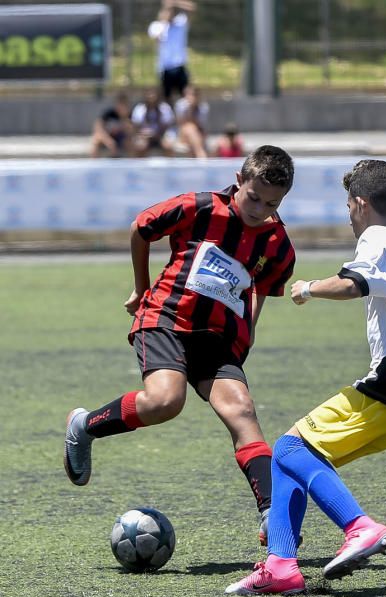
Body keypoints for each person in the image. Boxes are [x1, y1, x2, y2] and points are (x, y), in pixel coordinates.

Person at [225, 159, 386, 595]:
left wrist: (308, 288)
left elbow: (355, 283)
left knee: (289, 446)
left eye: (349, 206)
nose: (348, 215)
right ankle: (282, 567)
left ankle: (359, 527)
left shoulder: (380, 240)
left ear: (361, 204)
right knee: (294, 456)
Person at [63, 146, 296, 546]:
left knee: (241, 410)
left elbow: (261, 287)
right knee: (165, 402)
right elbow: (141, 227)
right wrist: (140, 287)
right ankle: (84, 426)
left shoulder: (278, 245)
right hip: (165, 319)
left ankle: (272, 515)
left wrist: (249, 331)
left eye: (271, 203)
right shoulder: (201, 207)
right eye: (253, 197)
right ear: (239, 181)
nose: (259, 209)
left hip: (218, 339)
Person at [148, 0, 196, 103]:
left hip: (180, 66)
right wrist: (165, 20)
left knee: (186, 95)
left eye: (172, 11)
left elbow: (192, 8)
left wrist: (175, 3)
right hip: (165, 68)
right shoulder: (157, 26)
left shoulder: (181, 23)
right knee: (166, 98)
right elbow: (157, 37)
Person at [131, 88, 175, 157]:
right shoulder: (140, 108)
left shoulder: (165, 108)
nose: (151, 97)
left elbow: (168, 124)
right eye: (149, 95)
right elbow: (136, 126)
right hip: (144, 136)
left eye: (153, 95)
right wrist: (143, 133)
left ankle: (168, 166)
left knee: (168, 146)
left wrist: (156, 133)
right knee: (140, 146)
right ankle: (140, 167)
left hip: (161, 135)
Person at [90, 93, 133, 158]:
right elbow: (98, 127)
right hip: (108, 136)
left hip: (121, 137)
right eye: (120, 103)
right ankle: (94, 163)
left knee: (131, 144)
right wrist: (108, 140)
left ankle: (131, 164)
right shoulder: (109, 113)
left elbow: (131, 131)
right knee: (96, 141)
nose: (121, 106)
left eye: (124, 104)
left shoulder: (129, 115)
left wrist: (124, 117)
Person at [173, 85, 209, 157]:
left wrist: (193, 108)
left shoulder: (203, 106)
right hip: (182, 132)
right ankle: (201, 155)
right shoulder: (180, 105)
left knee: (192, 129)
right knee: (190, 128)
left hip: (197, 132)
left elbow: (200, 124)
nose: (191, 97)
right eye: (189, 94)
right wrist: (189, 109)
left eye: (194, 94)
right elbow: (180, 123)